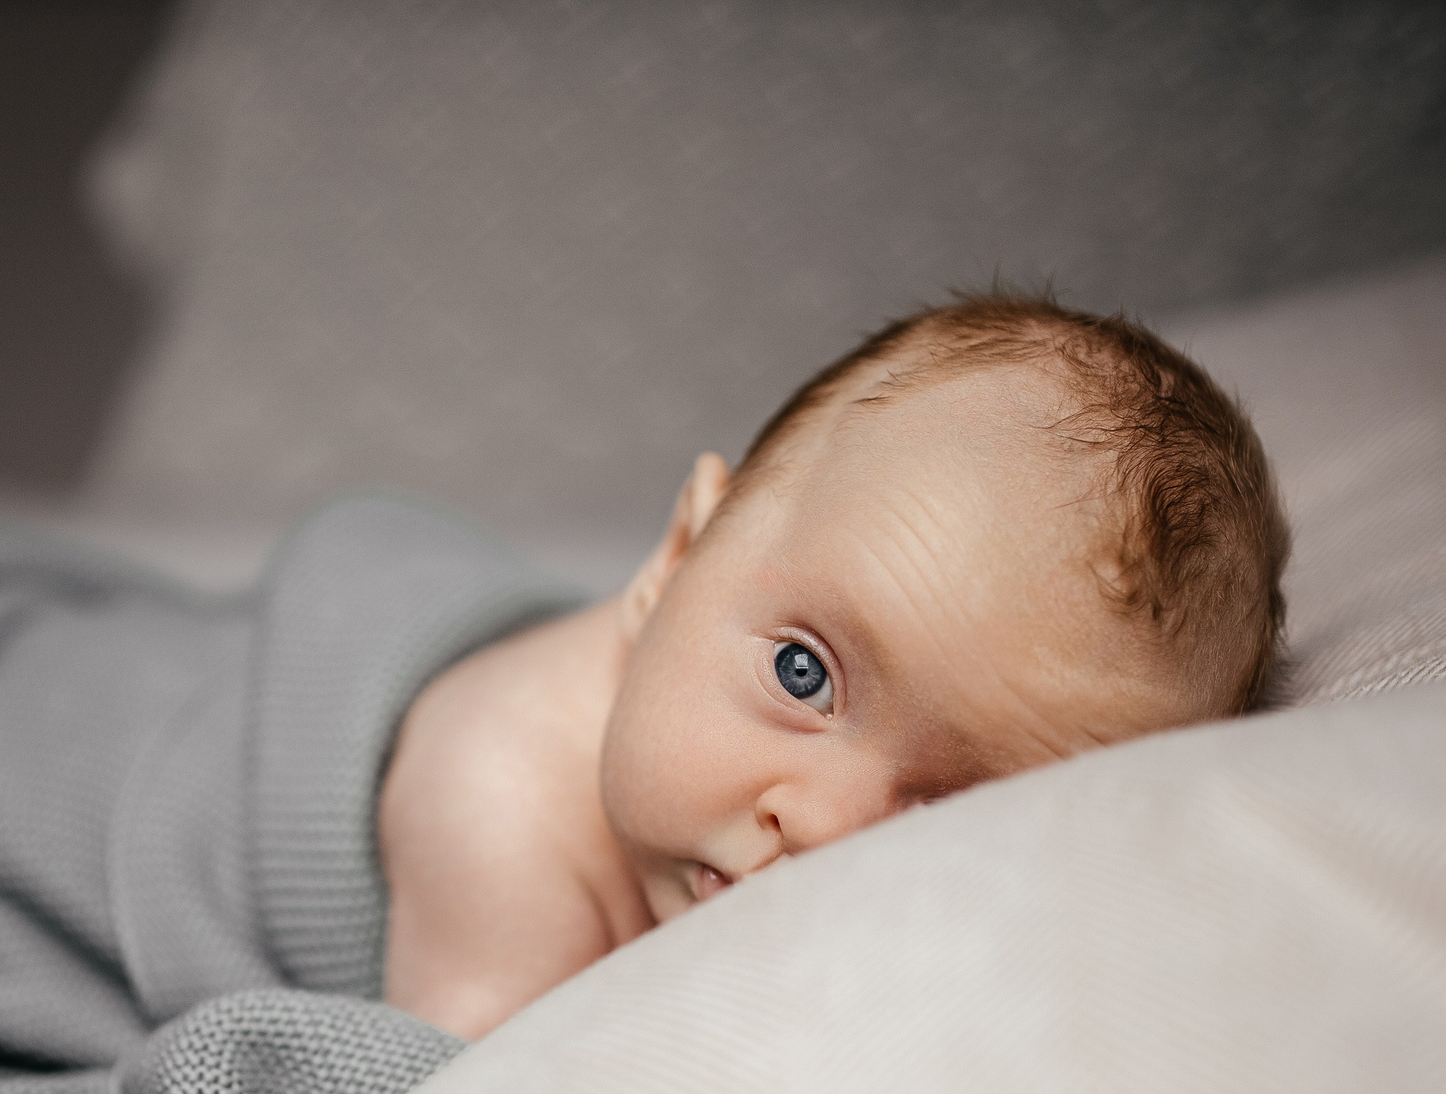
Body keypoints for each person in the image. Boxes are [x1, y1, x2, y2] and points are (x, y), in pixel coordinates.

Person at [380, 295, 1289, 1039]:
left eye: (944, 814)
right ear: (676, 559)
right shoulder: (498, 806)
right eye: (802, 675)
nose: (821, 829)